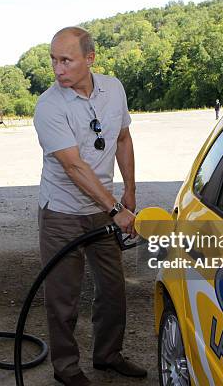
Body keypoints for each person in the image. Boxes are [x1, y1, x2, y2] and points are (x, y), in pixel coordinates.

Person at [33, 26, 145, 386]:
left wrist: (129, 191)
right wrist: (117, 210)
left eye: (66, 60)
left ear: (90, 58)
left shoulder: (113, 89)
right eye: (53, 60)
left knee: (113, 289)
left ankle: (107, 355)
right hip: (61, 213)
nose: (57, 69)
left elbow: (123, 138)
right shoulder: (49, 106)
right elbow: (74, 167)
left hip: (103, 208)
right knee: (62, 296)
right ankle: (66, 369)